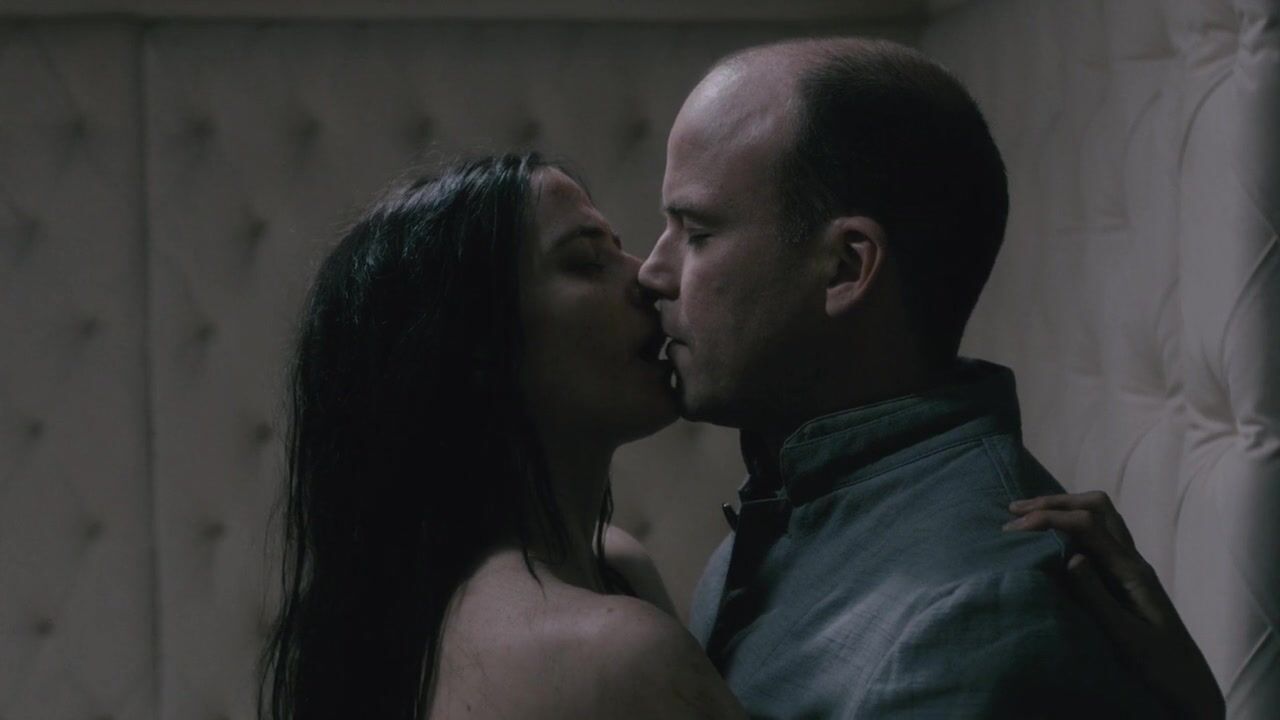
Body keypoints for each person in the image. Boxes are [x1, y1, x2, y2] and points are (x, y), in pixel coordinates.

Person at [258, 152, 1217, 720]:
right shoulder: (599, 650)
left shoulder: (606, 568)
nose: (650, 277)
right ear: (476, 350)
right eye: (588, 259)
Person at [637, 37, 1223, 718]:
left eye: (697, 233)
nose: (652, 271)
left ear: (846, 267)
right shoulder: (784, 513)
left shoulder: (973, 618)